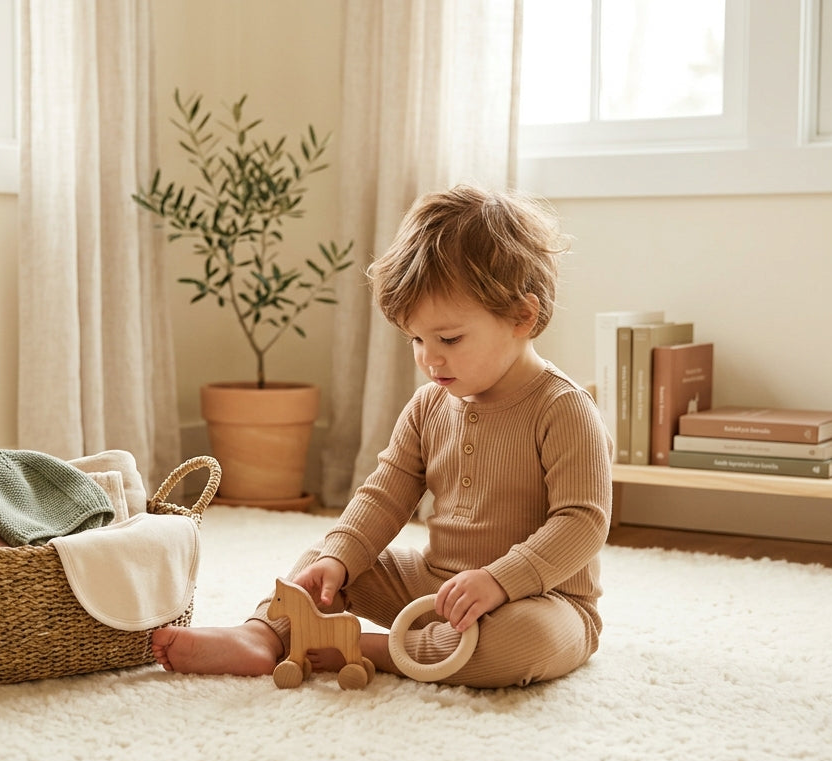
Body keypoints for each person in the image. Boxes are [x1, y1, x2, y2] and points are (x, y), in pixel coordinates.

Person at [151, 184, 612, 688]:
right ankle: (264, 634)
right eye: (417, 338)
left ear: (522, 317)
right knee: (324, 564)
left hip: (540, 598)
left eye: (450, 339)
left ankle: (367, 649)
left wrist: (501, 581)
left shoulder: (563, 409)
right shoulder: (428, 405)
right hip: (435, 588)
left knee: (523, 642)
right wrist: (339, 559)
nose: (429, 358)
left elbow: (582, 523)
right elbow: (385, 493)